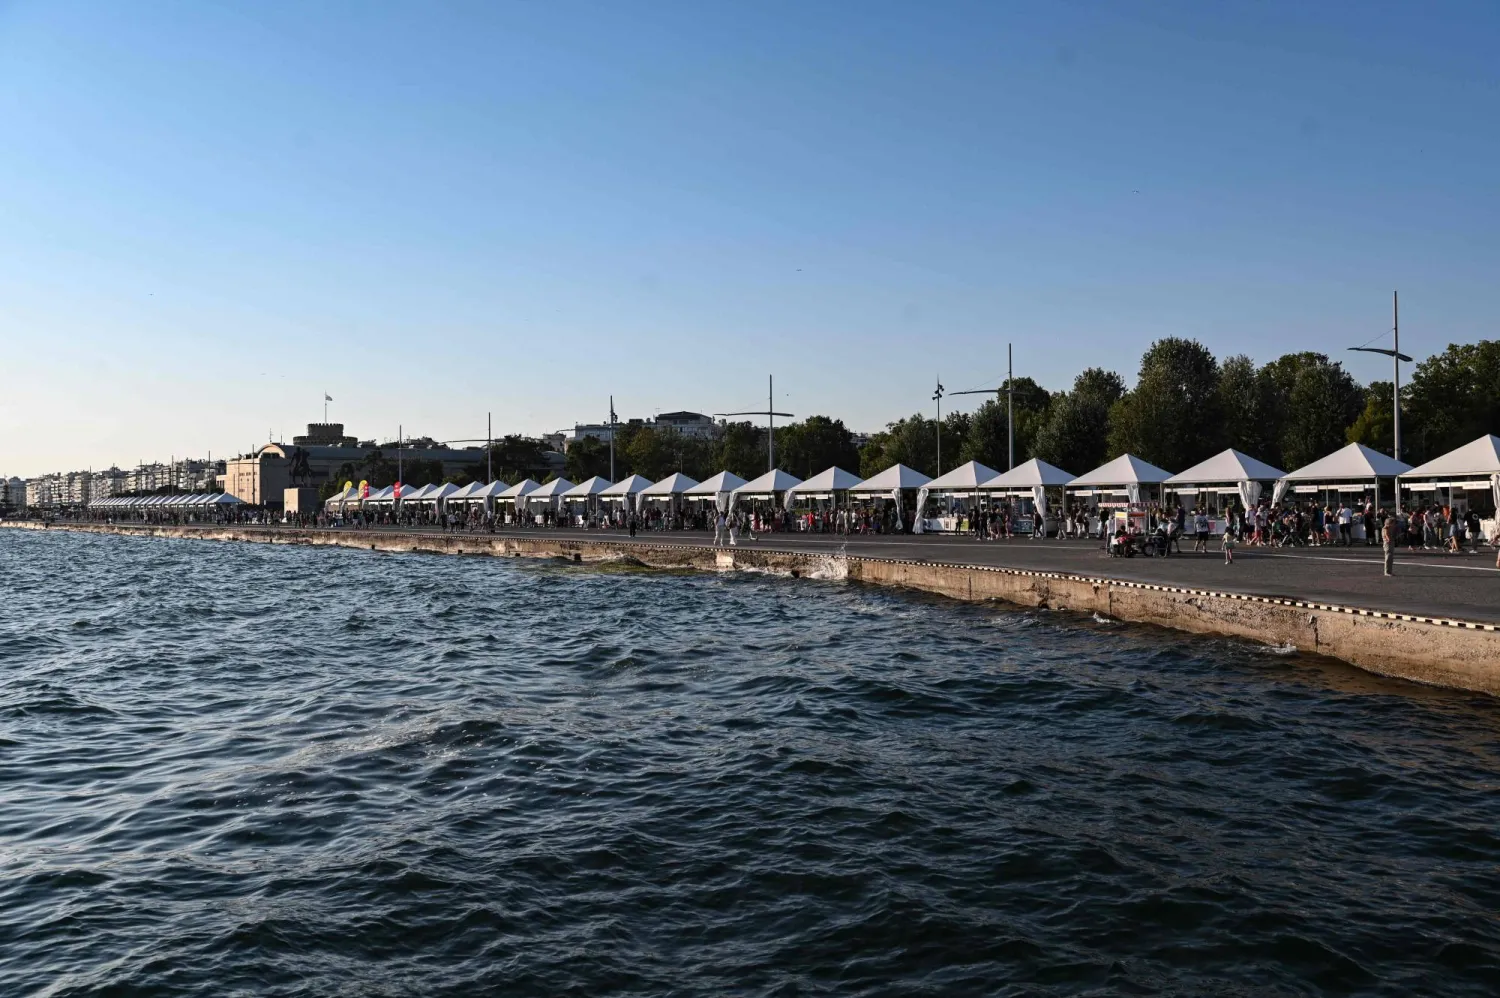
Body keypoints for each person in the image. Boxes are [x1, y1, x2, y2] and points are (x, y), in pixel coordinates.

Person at [1382, 509, 1397, 576]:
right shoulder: (1386, 528)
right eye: (1393, 523)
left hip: (1390, 543)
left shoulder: (1390, 528)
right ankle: (1387, 572)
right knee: (1388, 557)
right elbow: (1387, 536)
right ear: (1390, 523)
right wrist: (1390, 539)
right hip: (1388, 544)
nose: (1394, 524)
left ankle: (1389, 571)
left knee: (1390, 558)